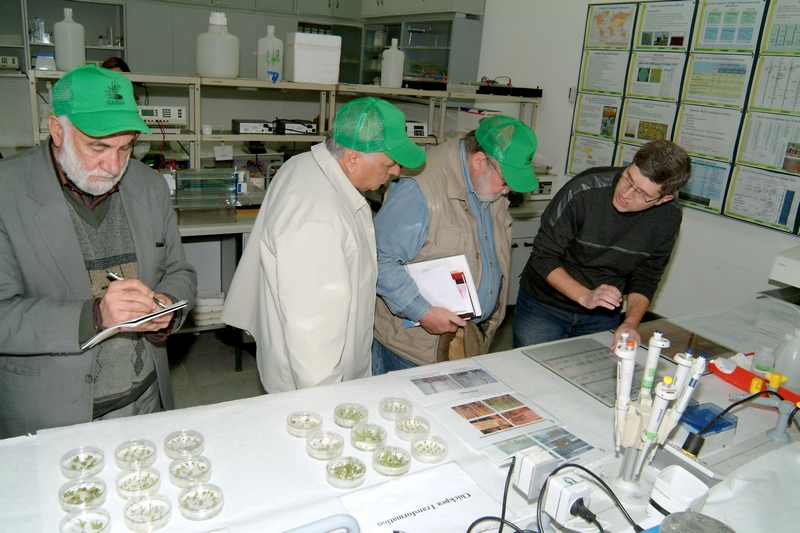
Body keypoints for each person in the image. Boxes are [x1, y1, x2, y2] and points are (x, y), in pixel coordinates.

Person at [0, 65, 197, 439]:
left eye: (126, 147)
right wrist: (94, 317)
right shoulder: (6, 192)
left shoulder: (150, 186)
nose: (114, 166)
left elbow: (180, 271)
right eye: (98, 147)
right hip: (54, 416)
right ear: (57, 130)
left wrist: (167, 309)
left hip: (145, 401)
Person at [222, 97, 426, 393]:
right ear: (352, 158)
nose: (395, 171)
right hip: (315, 387)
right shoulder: (318, 220)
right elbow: (312, 339)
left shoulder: (305, 164)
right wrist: (327, 404)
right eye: (389, 163)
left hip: (309, 365)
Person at [372, 115, 539, 373]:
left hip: (466, 340)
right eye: (506, 181)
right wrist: (422, 312)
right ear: (479, 160)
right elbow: (379, 260)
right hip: (412, 350)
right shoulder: (420, 189)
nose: (508, 190)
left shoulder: (486, 184)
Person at [513, 139, 692, 350]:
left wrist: (630, 323)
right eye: (628, 178)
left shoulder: (669, 217)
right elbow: (543, 257)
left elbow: (647, 277)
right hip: (544, 306)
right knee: (530, 367)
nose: (626, 194)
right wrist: (585, 295)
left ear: (663, 199)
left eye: (641, 193)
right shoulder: (584, 190)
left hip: (602, 315)